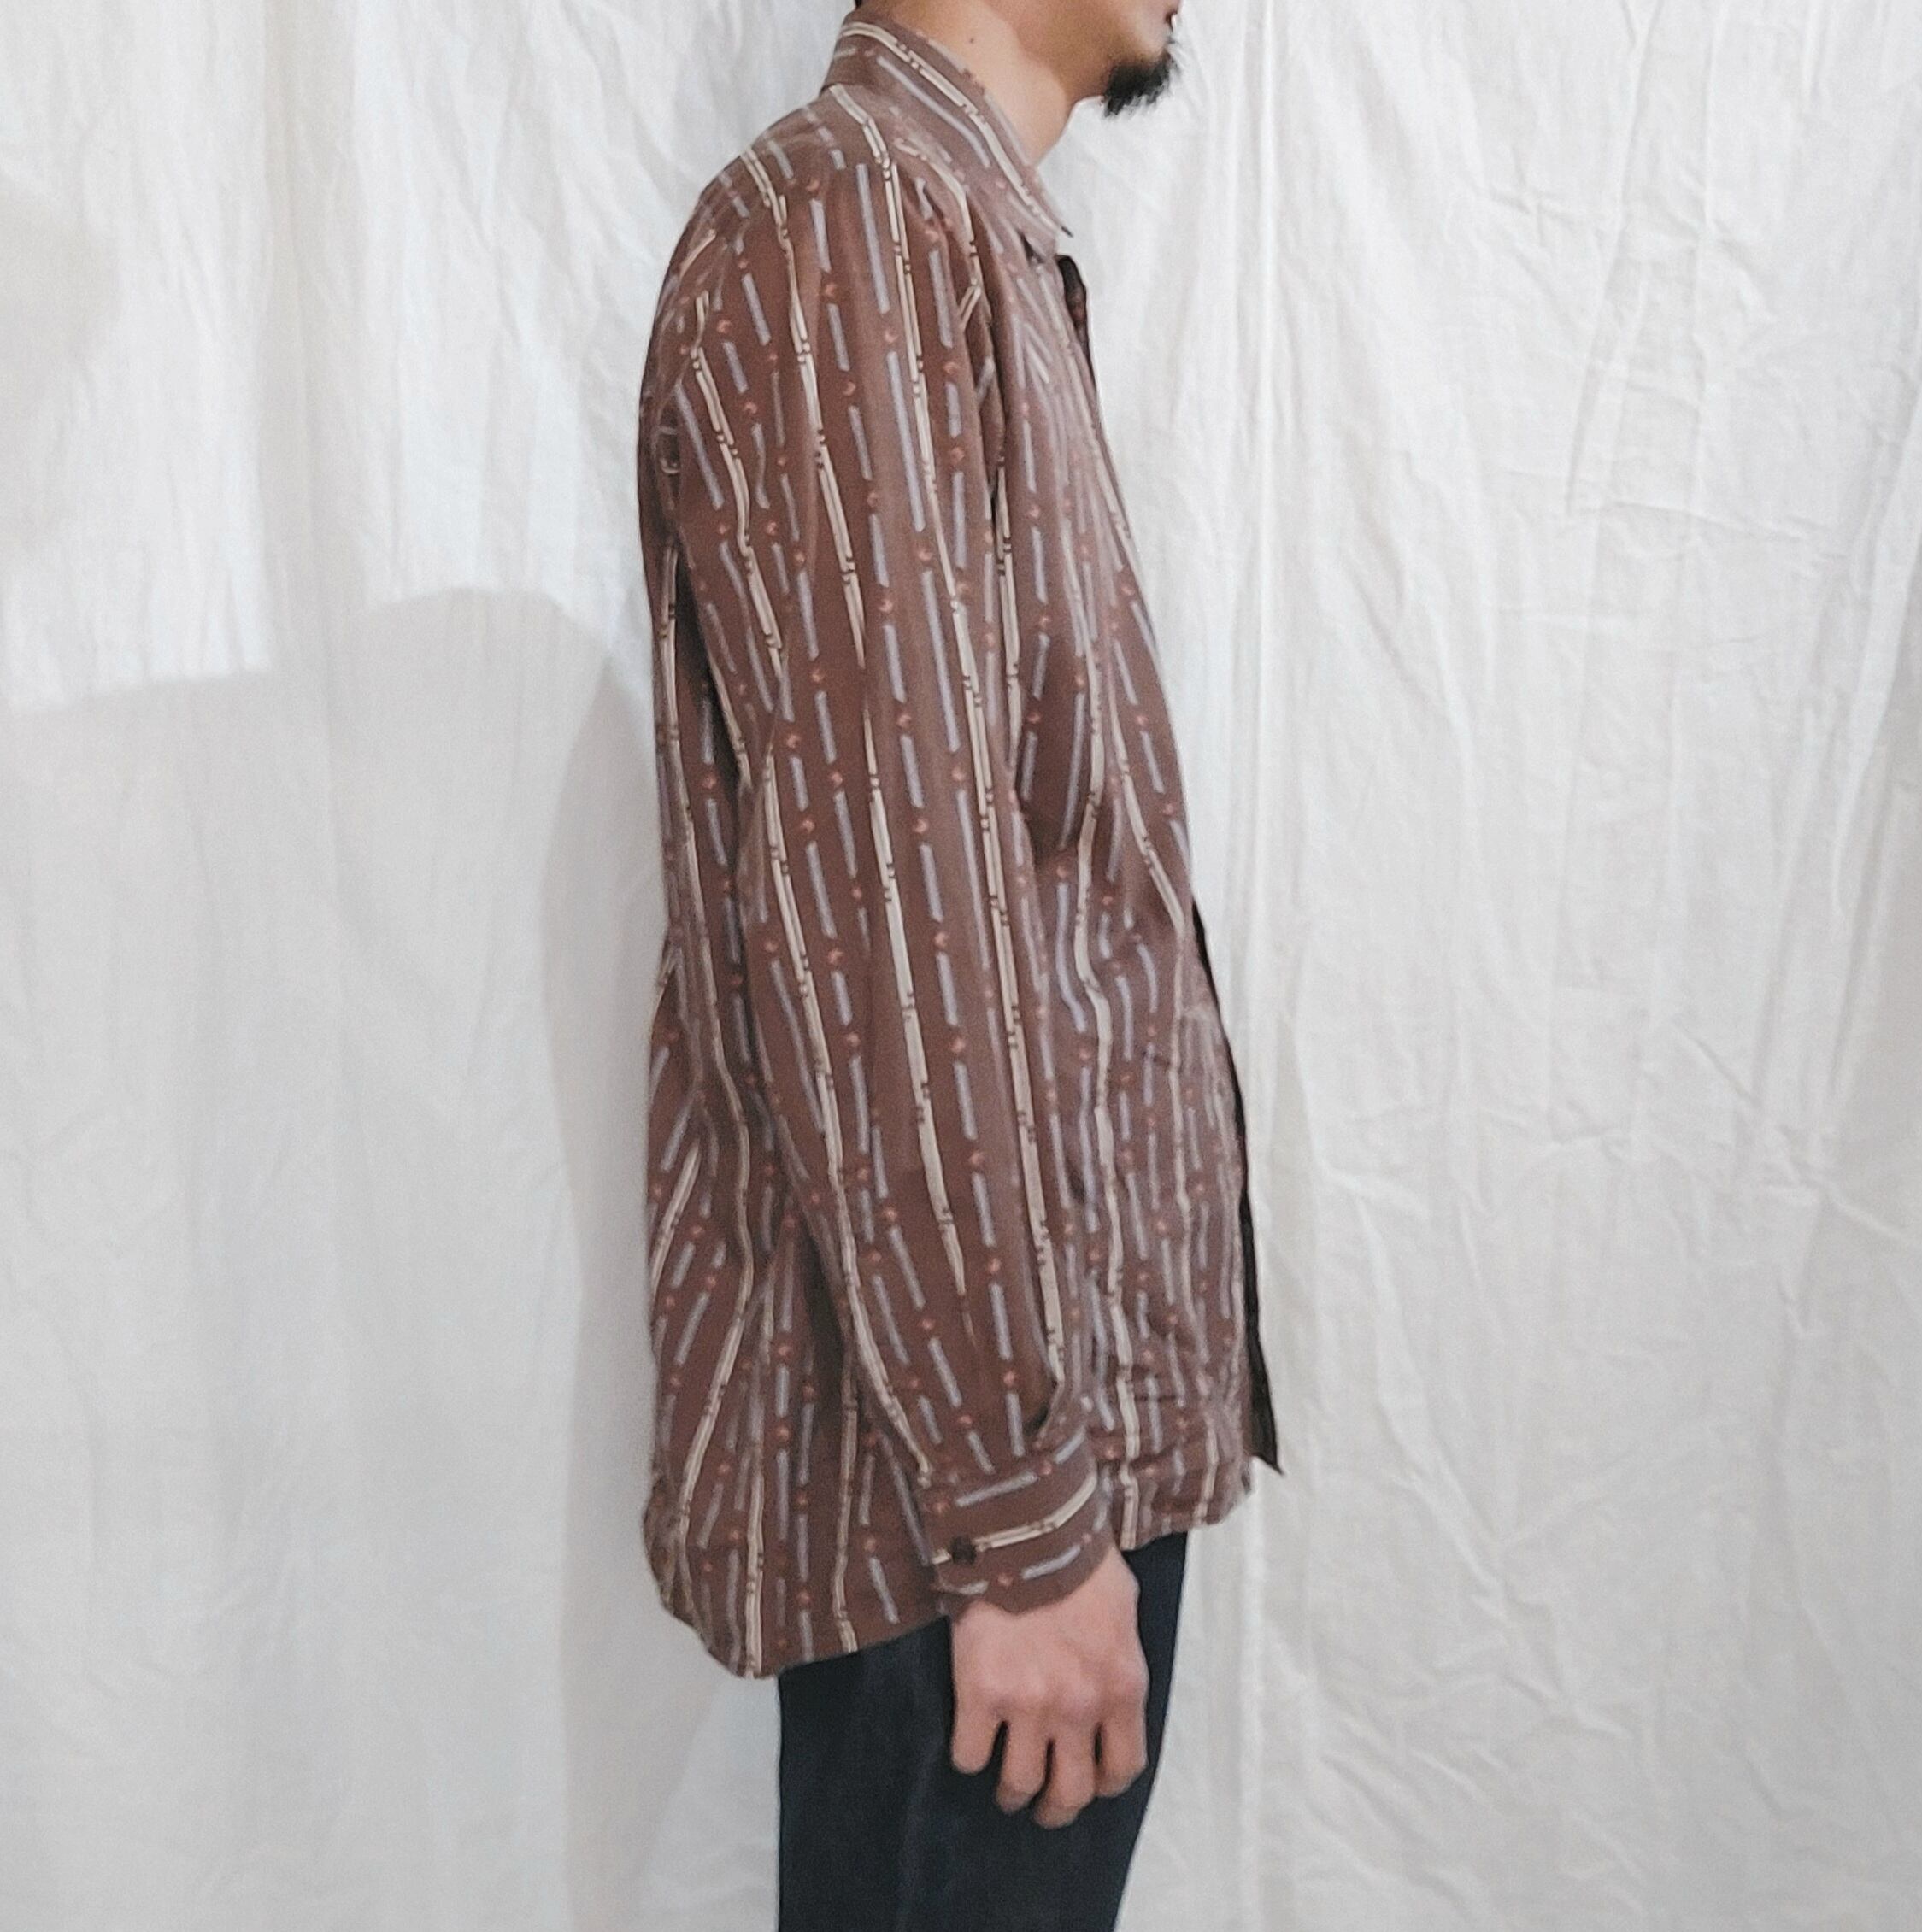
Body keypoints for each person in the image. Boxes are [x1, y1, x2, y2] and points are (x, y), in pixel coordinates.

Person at [633, 3, 1283, 1923]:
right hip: (976, 1504)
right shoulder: (854, 230)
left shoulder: (947, 232)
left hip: (1026, 1460)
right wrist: (1022, 1521)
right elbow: (882, 919)